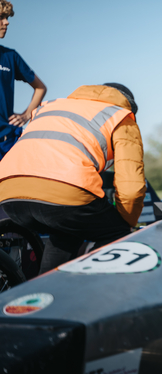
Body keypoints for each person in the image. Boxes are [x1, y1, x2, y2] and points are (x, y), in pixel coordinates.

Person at [0, 83, 146, 273]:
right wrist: (126, 223)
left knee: (67, 231)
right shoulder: (121, 115)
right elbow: (132, 188)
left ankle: (45, 294)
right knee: (116, 231)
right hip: (64, 190)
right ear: (129, 106)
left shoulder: (51, 106)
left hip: (8, 191)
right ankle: (88, 290)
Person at [0, 0, 47, 160]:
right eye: (1, 17)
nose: (6, 22)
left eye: (7, 18)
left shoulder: (11, 57)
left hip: (6, 142)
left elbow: (40, 88)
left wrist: (27, 115)